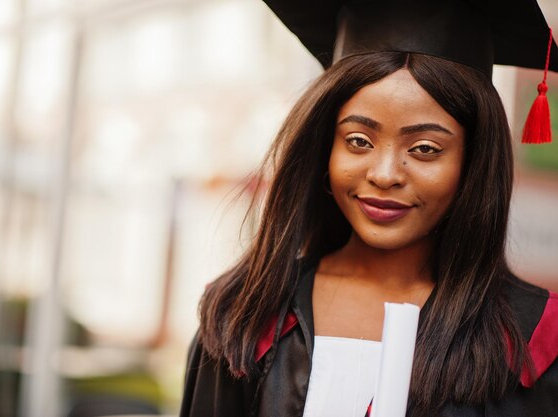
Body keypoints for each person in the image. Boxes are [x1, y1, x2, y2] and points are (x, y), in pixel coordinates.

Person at [179, 1, 558, 416]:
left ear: (473, 164)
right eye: (358, 140)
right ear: (324, 145)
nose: (384, 174)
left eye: (425, 149)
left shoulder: (530, 340)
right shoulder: (248, 315)